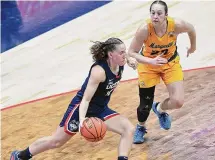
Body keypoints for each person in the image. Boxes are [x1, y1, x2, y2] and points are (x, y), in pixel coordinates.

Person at [10, 37, 136, 160]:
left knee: (128, 129)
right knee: (56, 142)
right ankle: (20, 156)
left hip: (100, 109)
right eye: (121, 52)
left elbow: (127, 56)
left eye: (124, 51)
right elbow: (85, 100)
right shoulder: (99, 72)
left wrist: (130, 60)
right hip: (81, 108)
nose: (125, 55)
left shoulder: (120, 62)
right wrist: (82, 121)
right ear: (110, 55)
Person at [128, 0, 196, 144]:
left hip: (170, 63)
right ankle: (140, 127)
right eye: (152, 13)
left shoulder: (176, 25)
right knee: (144, 105)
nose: (155, 16)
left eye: (159, 13)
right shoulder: (144, 29)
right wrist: (150, 61)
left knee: (178, 101)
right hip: (148, 66)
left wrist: (193, 47)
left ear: (166, 15)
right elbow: (131, 52)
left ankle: (159, 108)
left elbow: (191, 29)